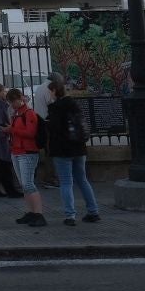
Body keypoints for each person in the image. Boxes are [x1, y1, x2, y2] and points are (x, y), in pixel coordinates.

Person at [45, 82, 101, 226]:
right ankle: (93, 211)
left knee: (66, 182)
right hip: (79, 147)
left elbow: (55, 128)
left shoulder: (55, 107)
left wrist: (46, 123)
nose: (49, 94)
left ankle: (70, 215)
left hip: (63, 149)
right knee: (82, 180)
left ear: (55, 91)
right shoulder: (74, 104)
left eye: (50, 91)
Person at [5, 89, 46, 227]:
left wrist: (12, 130)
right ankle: (31, 212)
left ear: (18, 99)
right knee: (24, 184)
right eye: (10, 102)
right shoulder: (16, 114)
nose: (12, 105)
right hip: (17, 151)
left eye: (13, 101)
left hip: (27, 151)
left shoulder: (28, 113)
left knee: (28, 184)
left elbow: (30, 133)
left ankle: (38, 213)